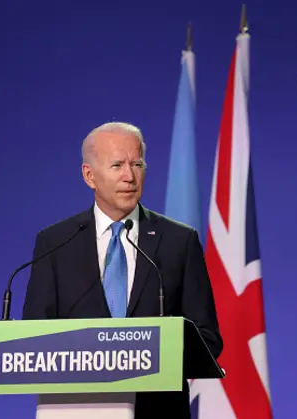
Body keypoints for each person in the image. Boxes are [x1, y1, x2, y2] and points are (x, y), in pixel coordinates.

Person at [22, 121, 223, 419]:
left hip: (157, 411)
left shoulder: (178, 242)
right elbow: (32, 339)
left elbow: (207, 338)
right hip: (76, 410)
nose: (129, 176)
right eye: (117, 165)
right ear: (89, 175)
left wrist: (148, 353)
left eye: (137, 164)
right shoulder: (56, 243)